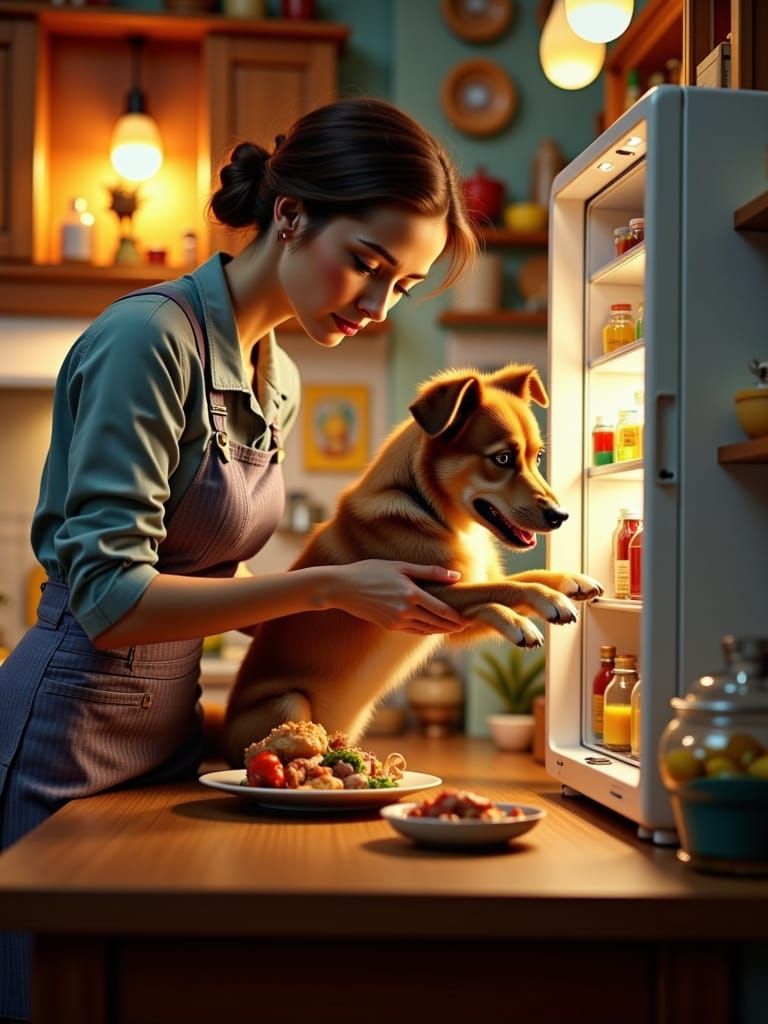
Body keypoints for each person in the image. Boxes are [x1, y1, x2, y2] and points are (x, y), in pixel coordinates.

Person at [0, 96, 477, 1020]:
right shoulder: (151, 338)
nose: (377, 307)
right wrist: (329, 585)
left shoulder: (278, 375)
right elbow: (107, 596)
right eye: (367, 266)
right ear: (291, 215)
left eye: (404, 287)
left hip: (171, 734)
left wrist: (348, 603)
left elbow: (209, 578)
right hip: (66, 734)